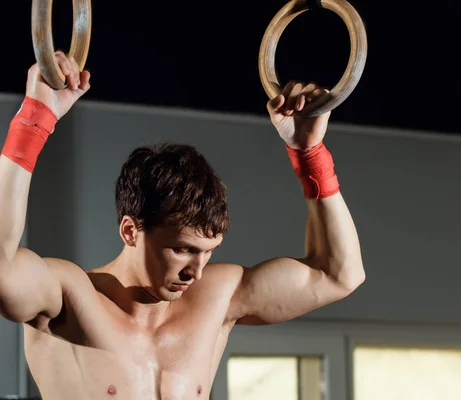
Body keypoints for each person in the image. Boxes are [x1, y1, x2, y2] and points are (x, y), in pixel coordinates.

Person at [0, 52, 365, 399]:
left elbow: (339, 275)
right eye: (182, 249)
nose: (196, 271)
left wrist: (309, 154)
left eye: (208, 252)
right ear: (130, 231)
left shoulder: (216, 299)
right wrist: (34, 120)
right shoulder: (68, 298)